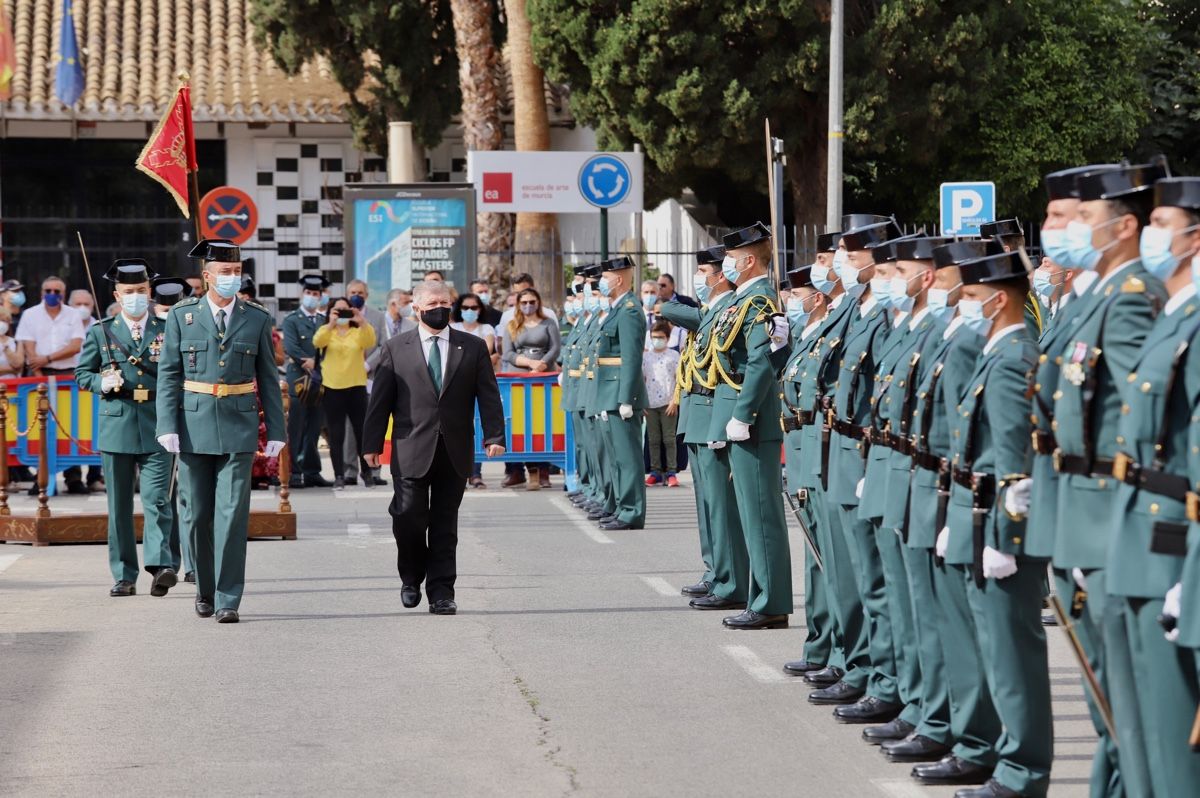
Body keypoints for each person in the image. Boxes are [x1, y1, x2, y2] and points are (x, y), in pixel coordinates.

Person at [1100, 174, 1200, 798]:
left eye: (1161, 225)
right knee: (1137, 734)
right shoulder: (1174, 315)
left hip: (1175, 547)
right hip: (1139, 537)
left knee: (1172, 746)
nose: (1151, 237)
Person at [942, 247, 1052, 798]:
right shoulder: (997, 351)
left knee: (1013, 656)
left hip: (1001, 525)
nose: (960, 305)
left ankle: (1023, 772)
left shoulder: (1012, 357)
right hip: (979, 514)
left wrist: (1006, 539)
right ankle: (1009, 764)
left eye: (968, 297)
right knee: (996, 650)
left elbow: (1015, 457)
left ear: (999, 299)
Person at [155, 238, 286, 624]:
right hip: (193, 424)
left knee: (232, 515)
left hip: (239, 424)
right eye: (225, 272)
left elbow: (268, 375)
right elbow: (169, 374)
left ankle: (229, 597)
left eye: (237, 271)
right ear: (207, 276)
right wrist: (167, 424)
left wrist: (276, 429)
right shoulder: (183, 316)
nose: (232, 278)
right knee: (196, 515)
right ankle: (205, 590)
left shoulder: (257, 317)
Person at [362, 280, 506, 616]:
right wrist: (371, 444)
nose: (440, 307)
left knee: (444, 524)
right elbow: (380, 401)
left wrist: (495, 436)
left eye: (445, 301)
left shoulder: (471, 347)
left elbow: (487, 394)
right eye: (432, 302)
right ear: (417, 308)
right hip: (410, 447)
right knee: (408, 516)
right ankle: (411, 576)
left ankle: (442, 592)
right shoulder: (396, 348)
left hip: (454, 449)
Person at [706, 222, 791, 628]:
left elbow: (762, 361)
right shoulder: (744, 301)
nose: (726, 265)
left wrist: (743, 415)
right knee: (749, 515)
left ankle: (770, 602)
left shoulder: (760, 301)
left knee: (760, 514)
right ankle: (760, 596)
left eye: (730, 259)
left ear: (749, 260)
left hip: (752, 421)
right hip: (739, 417)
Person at [75, 260, 177, 598]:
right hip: (117, 425)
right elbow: (81, 375)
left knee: (157, 500)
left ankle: (161, 565)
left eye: (140, 291)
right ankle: (124, 574)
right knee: (119, 507)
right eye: (128, 292)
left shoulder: (167, 328)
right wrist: (102, 381)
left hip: (157, 426)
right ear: (117, 295)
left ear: (149, 293)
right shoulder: (101, 331)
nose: (135, 297)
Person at [586, 256, 647, 529]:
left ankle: (632, 511)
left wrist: (627, 398)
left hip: (621, 395)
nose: (602, 283)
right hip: (608, 392)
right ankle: (621, 506)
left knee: (627, 458)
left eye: (606, 277)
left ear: (619, 279)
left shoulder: (630, 310)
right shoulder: (616, 309)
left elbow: (632, 358)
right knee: (616, 457)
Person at [16, 275, 87, 494]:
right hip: (39, 377)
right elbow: (29, 348)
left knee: (71, 423)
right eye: (49, 291)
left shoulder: (73, 314)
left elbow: (76, 346)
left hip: (68, 374)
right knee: (40, 426)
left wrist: (46, 359)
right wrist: (39, 374)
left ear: (63, 294)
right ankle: (42, 477)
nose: (52, 295)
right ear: (41, 292)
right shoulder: (30, 314)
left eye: (57, 292)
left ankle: (74, 478)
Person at [152, 276, 196, 582]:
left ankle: (195, 564)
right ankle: (168, 561)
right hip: (160, 419)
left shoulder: (196, 324)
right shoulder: (148, 332)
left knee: (191, 496)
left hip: (193, 416)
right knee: (164, 495)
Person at [313, 296, 377, 490]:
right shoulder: (327, 332)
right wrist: (331, 323)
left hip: (356, 387)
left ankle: (366, 473)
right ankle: (339, 475)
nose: (341, 314)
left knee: (361, 433)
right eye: (337, 310)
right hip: (333, 388)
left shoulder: (357, 332)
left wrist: (361, 320)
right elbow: (317, 342)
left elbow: (370, 340)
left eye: (345, 310)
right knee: (336, 434)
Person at [501, 288, 562, 490]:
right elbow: (507, 353)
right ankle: (516, 470)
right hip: (518, 376)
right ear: (518, 304)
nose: (528, 305)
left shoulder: (548, 323)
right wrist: (528, 363)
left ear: (538, 302)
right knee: (516, 423)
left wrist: (541, 365)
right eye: (524, 302)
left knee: (541, 423)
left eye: (532, 301)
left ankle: (542, 471)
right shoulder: (512, 325)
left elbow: (555, 348)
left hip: (543, 377)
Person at [282, 274, 333, 489]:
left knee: (314, 427)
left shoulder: (323, 321)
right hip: (299, 380)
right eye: (309, 293)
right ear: (302, 295)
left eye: (316, 294)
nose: (312, 297)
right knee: (296, 428)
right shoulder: (292, 319)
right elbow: (291, 347)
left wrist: (319, 364)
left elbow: (331, 347)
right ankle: (294, 472)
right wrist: (308, 361)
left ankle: (312, 472)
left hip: (321, 380)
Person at [345, 279, 389, 487]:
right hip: (347, 379)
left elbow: (383, 346)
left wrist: (368, 365)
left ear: (367, 295)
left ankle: (374, 469)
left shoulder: (378, 316)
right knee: (349, 427)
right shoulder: (342, 314)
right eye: (353, 292)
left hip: (371, 377)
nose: (357, 295)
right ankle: (349, 471)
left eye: (360, 292)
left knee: (373, 423)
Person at [453, 292, 498, 489]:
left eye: (473, 308)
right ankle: (459, 473)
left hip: (478, 381)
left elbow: (486, 350)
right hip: (456, 384)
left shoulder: (486, 328)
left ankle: (475, 473)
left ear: (480, 310)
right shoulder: (452, 328)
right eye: (465, 308)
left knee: (478, 429)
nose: (469, 311)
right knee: (460, 430)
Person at [641, 321, 680, 487]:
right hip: (650, 404)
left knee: (669, 439)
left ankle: (671, 471)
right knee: (653, 439)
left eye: (661, 337)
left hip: (668, 403)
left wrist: (675, 401)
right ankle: (655, 471)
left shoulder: (673, 356)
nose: (657, 340)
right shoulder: (646, 357)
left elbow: (679, 380)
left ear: (668, 338)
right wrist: (642, 402)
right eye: (654, 337)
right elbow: (641, 380)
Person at [0, 307, 25, 377]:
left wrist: (6, 348)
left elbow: (18, 365)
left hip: (14, 385)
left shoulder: (16, 342)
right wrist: (12, 370)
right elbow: (17, 369)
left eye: (4, 321)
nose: (1, 323)